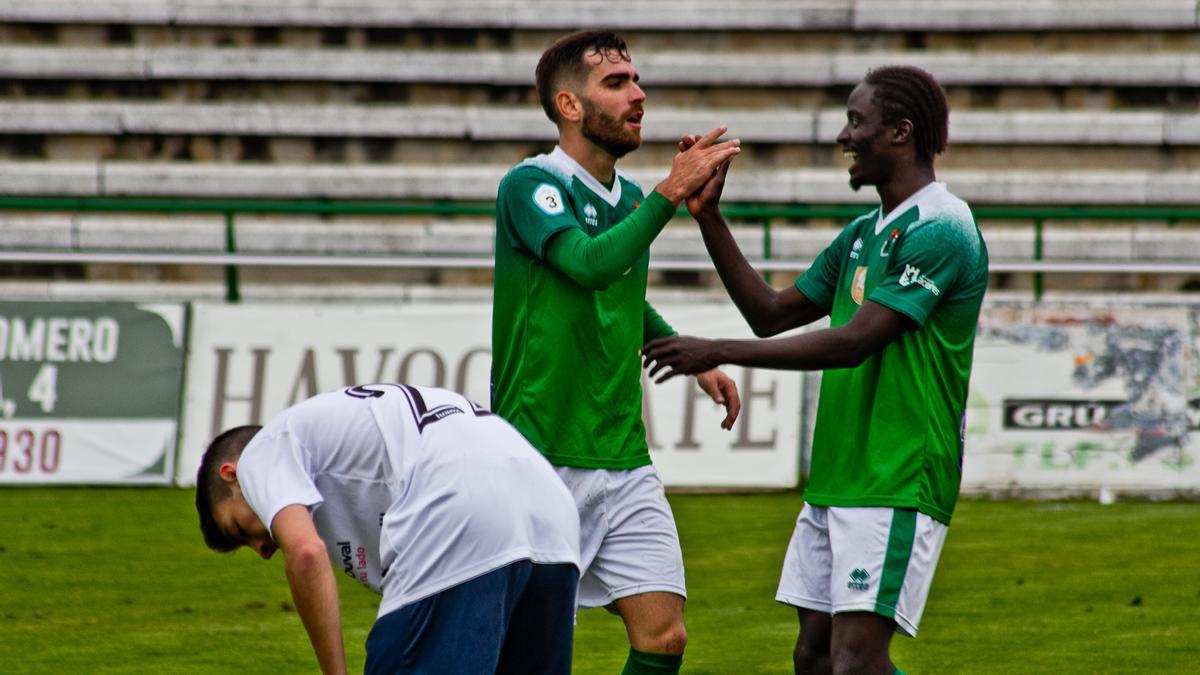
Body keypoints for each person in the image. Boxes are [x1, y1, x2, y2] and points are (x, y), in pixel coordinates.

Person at [641, 66, 989, 674]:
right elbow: (770, 314)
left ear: (901, 133)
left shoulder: (944, 229)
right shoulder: (862, 234)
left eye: (857, 121)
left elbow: (854, 342)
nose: (844, 137)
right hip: (838, 473)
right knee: (814, 655)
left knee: (855, 662)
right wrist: (709, 217)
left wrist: (713, 350)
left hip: (898, 472)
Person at [490, 30, 743, 675]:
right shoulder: (530, 186)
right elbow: (589, 265)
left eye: (636, 79)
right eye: (617, 83)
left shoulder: (628, 200)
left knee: (664, 638)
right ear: (570, 106)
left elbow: (624, 297)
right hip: (540, 454)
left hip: (622, 455)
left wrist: (690, 356)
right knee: (531, 651)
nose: (639, 94)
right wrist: (669, 191)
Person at [195, 383, 581, 675]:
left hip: (458, 501)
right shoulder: (342, 439)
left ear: (231, 476)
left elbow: (307, 554)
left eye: (238, 530)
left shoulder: (261, 452)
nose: (261, 549)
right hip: (550, 508)